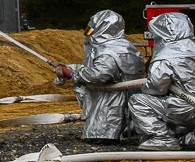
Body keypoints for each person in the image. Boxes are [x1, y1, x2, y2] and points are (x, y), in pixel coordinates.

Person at [128, 11, 195, 151]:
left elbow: (157, 87)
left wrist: (142, 86)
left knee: (138, 101)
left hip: (184, 105)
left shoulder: (166, 53)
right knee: (175, 118)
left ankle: (162, 138)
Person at [55, 10, 145, 144]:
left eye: (92, 27)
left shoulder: (107, 50)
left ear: (102, 27)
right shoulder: (125, 46)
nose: (89, 32)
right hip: (125, 103)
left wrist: (73, 74)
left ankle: (104, 137)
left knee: (100, 134)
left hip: (109, 106)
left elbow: (100, 75)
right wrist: (72, 69)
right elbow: (98, 69)